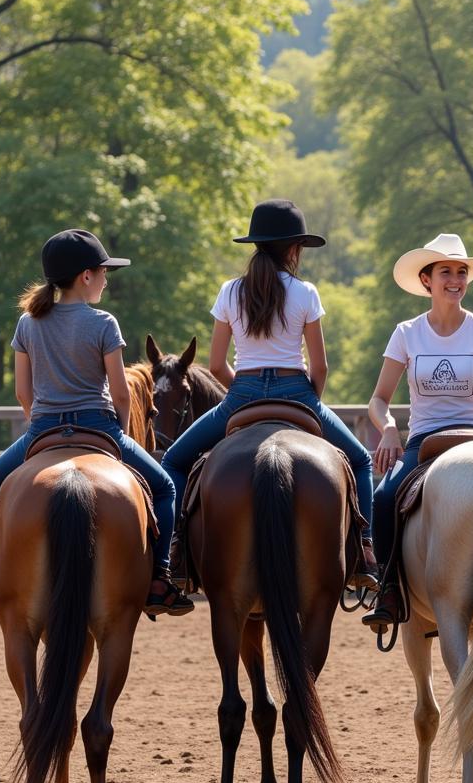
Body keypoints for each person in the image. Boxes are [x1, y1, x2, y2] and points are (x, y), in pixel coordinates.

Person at [0, 229, 191, 617]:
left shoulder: (27, 324)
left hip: (43, 427)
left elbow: (22, 392)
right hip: (99, 426)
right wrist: (116, 433)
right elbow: (119, 393)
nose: (105, 278)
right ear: (86, 276)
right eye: (103, 272)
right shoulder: (103, 322)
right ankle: (161, 578)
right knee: (165, 487)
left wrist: (41, 426)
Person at [161, 199, 378, 585]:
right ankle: (364, 549)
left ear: (256, 244)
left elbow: (214, 366)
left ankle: (175, 550)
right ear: (293, 249)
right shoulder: (305, 292)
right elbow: (320, 365)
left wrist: (243, 393)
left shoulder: (229, 291)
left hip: (242, 392)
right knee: (360, 460)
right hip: (297, 390)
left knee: (175, 462)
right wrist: (310, 399)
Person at [361, 233, 473, 630]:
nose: (455, 280)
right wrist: (388, 429)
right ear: (426, 280)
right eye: (446, 272)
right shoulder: (406, 333)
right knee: (384, 497)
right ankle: (387, 588)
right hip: (424, 440)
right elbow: (379, 399)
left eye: (461, 272)